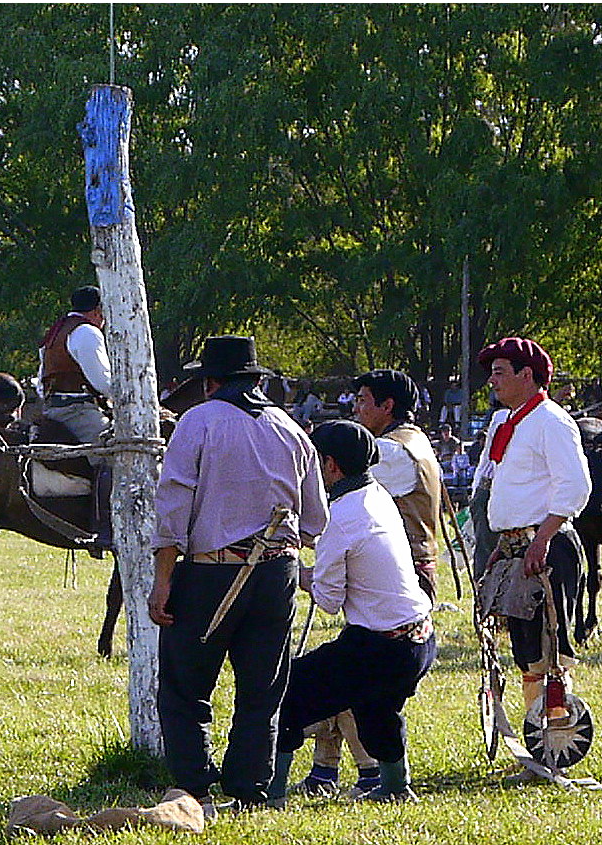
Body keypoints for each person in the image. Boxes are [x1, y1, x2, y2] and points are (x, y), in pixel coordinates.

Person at [149, 335, 327, 815]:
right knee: (262, 690)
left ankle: (196, 789)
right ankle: (249, 790)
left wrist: (162, 579)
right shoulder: (293, 431)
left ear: (210, 383)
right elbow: (315, 522)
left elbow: (172, 510)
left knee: (185, 690)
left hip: (211, 574)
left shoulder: (198, 421)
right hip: (277, 575)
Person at [265, 420, 436, 806]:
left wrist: (292, 566)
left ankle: (269, 792)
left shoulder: (338, 519)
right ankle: (395, 787)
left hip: (382, 647)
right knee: (375, 706)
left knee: (287, 694)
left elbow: (326, 599)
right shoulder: (377, 494)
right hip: (419, 637)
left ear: (331, 466)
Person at [472, 337, 591, 728]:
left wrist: (541, 539)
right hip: (517, 548)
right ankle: (540, 736)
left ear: (527, 375)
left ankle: (555, 738)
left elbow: (575, 486)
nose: (492, 380)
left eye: (500, 372)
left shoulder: (551, 421)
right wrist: (503, 547)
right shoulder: (512, 422)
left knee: (549, 650)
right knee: (527, 652)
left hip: (546, 550)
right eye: (492, 372)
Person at [36, 285, 115, 555]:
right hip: (78, 411)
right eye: (103, 312)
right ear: (96, 311)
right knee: (114, 455)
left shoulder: (56, 332)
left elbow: (40, 382)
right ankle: (105, 529)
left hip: (52, 408)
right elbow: (103, 382)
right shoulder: (87, 333)